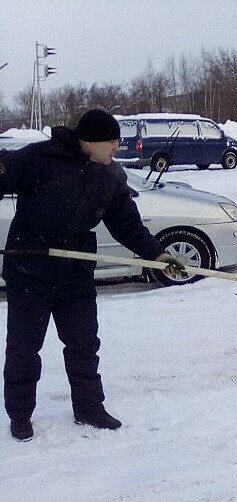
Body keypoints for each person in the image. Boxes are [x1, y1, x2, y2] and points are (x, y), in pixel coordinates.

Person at [0, 109, 185, 441]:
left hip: (75, 272)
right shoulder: (41, 157)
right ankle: (20, 414)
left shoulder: (110, 176)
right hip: (29, 268)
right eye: (113, 141)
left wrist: (158, 254)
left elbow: (127, 224)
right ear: (93, 140)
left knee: (84, 344)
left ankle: (89, 407)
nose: (117, 147)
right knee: (24, 348)